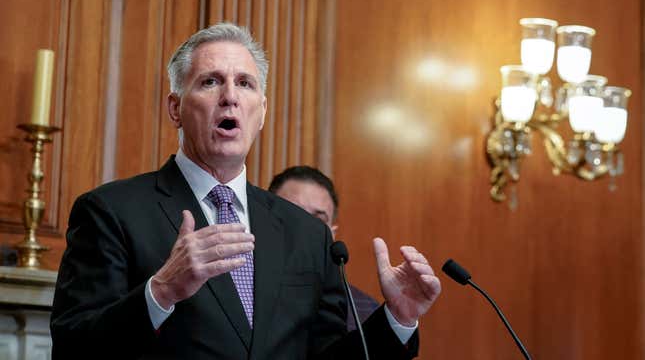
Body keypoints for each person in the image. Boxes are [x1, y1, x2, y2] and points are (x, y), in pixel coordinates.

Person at [50, 23, 441, 359]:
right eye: (210, 81)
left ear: (262, 112)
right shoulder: (110, 211)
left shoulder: (307, 234)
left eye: (245, 84)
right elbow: (73, 348)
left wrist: (398, 321)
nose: (230, 96)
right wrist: (162, 291)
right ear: (175, 109)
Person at [269, 165, 379, 331]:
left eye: (317, 222)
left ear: (332, 235)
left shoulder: (365, 311)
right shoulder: (241, 293)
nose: (303, 230)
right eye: (290, 214)